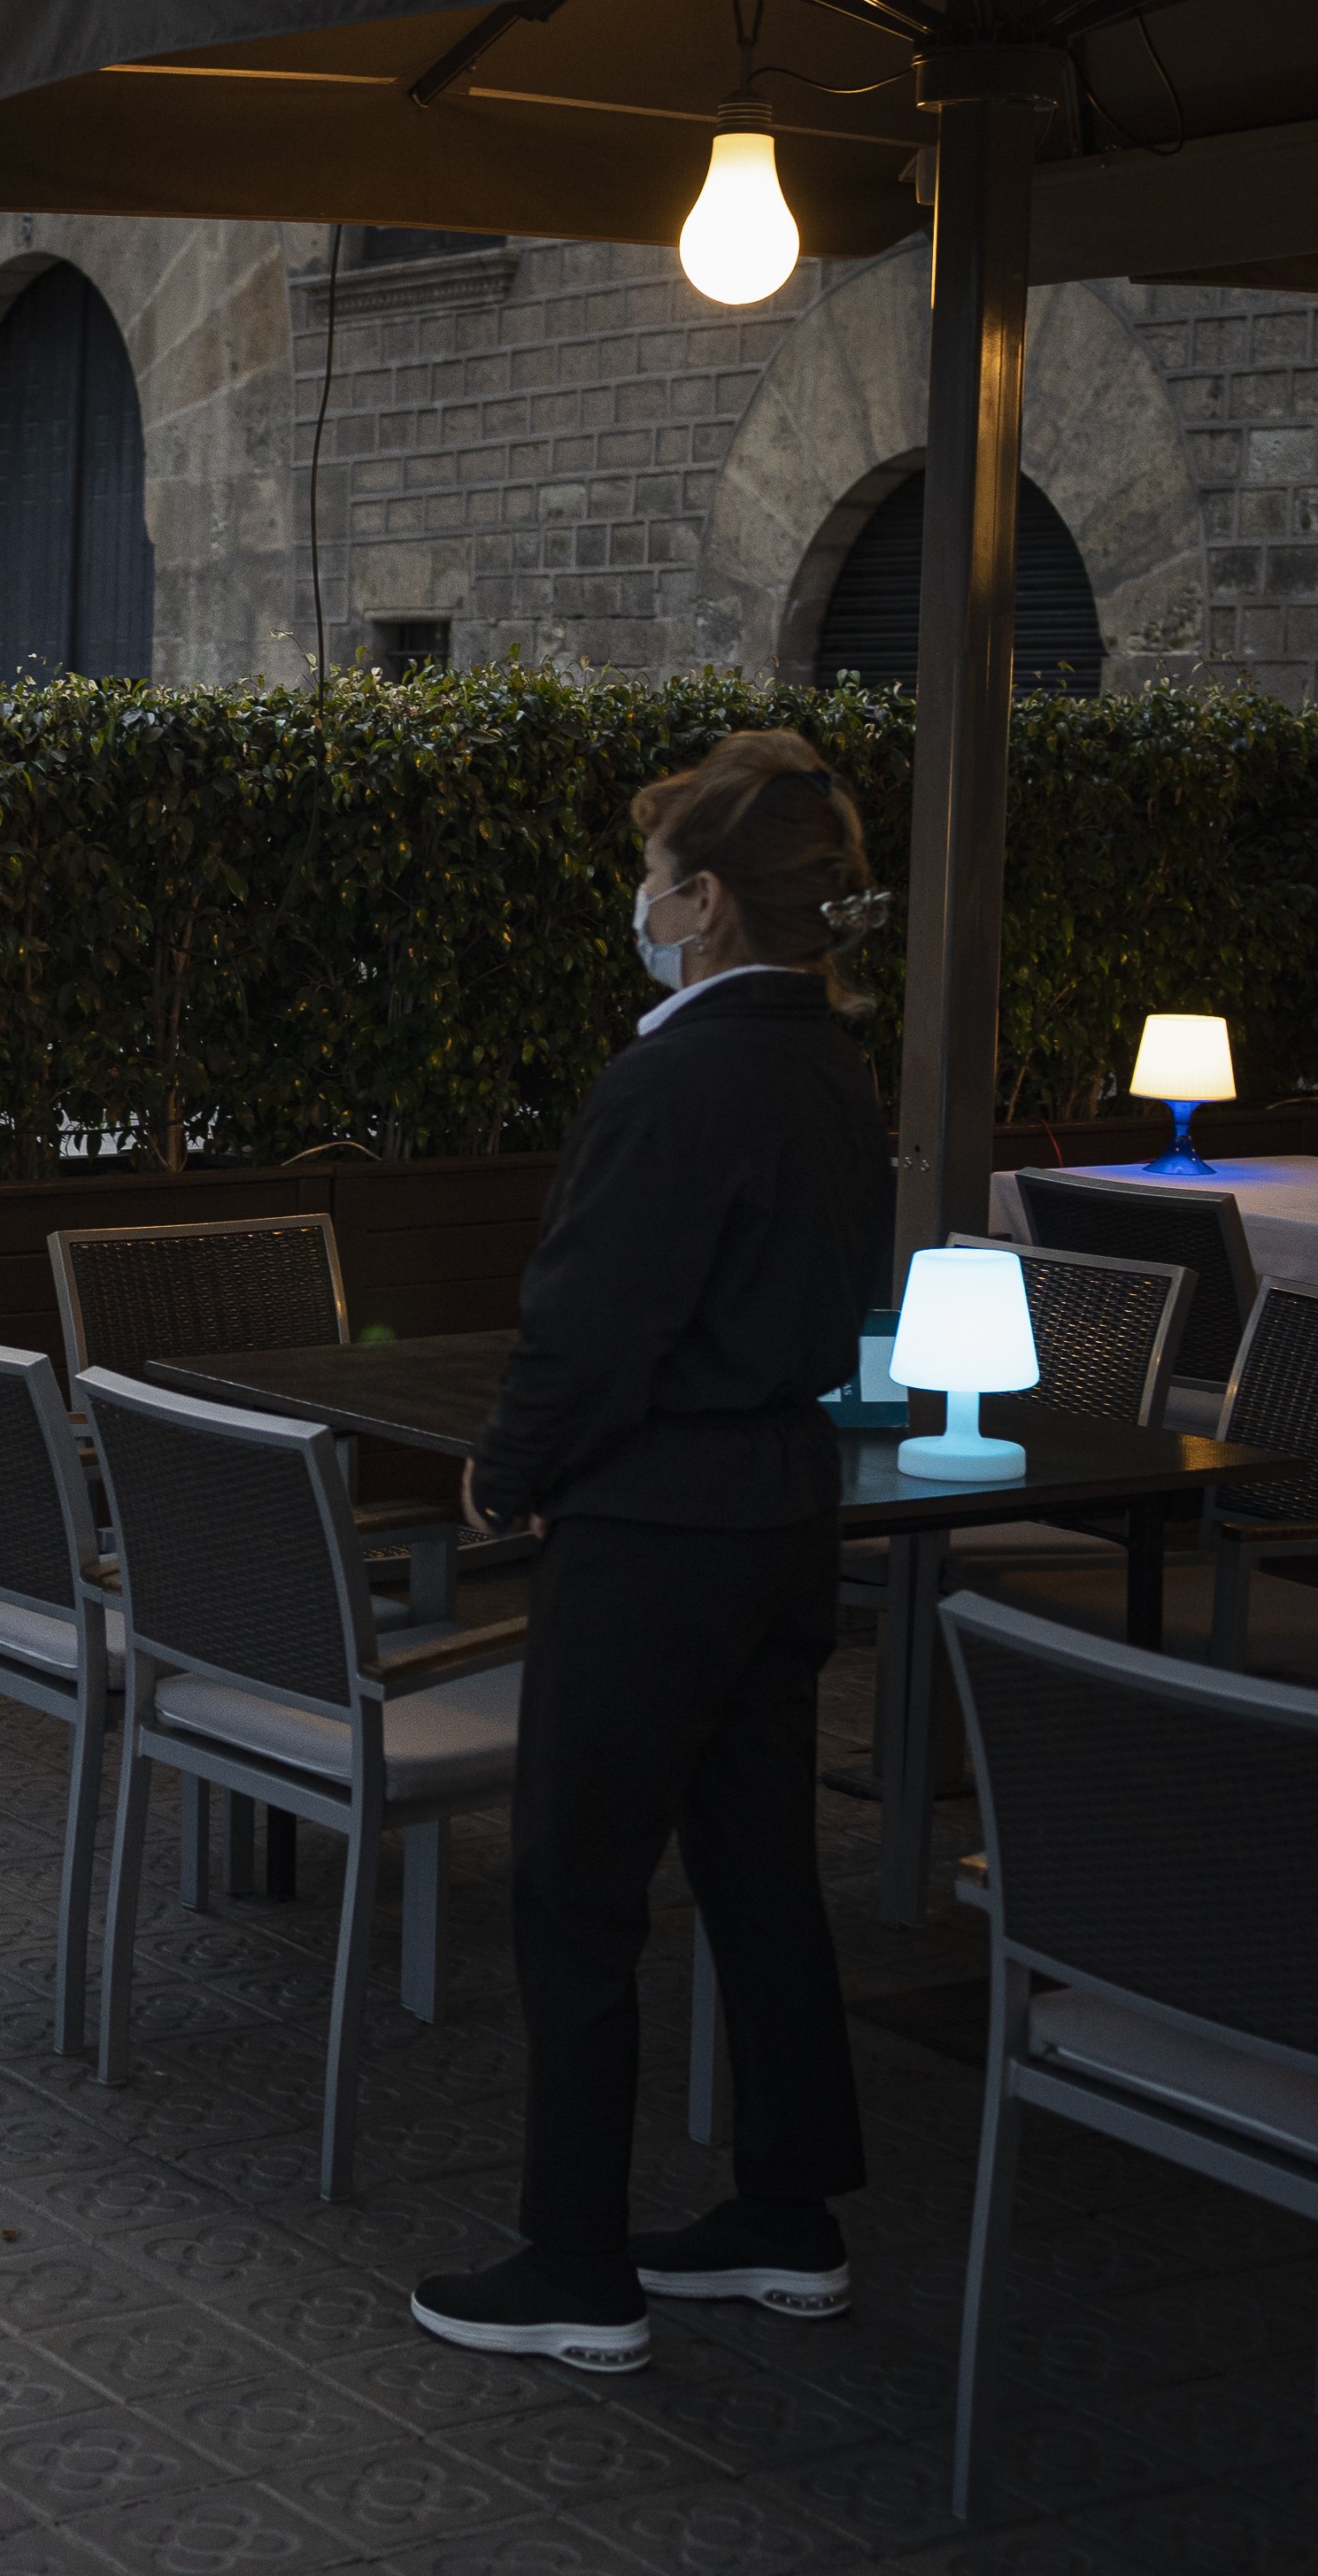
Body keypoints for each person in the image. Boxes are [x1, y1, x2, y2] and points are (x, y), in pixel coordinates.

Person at [412, 729, 894, 2375]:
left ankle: (575, 2261)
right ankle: (788, 2215)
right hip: (782, 1505)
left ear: (698, 904)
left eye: (651, 879)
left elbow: (593, 1314)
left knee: (579, 1885)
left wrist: (508, 1470)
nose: (637, 903)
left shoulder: (674, 1076)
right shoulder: (830, 1064)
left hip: (655, 1523)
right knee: (762, 1865)